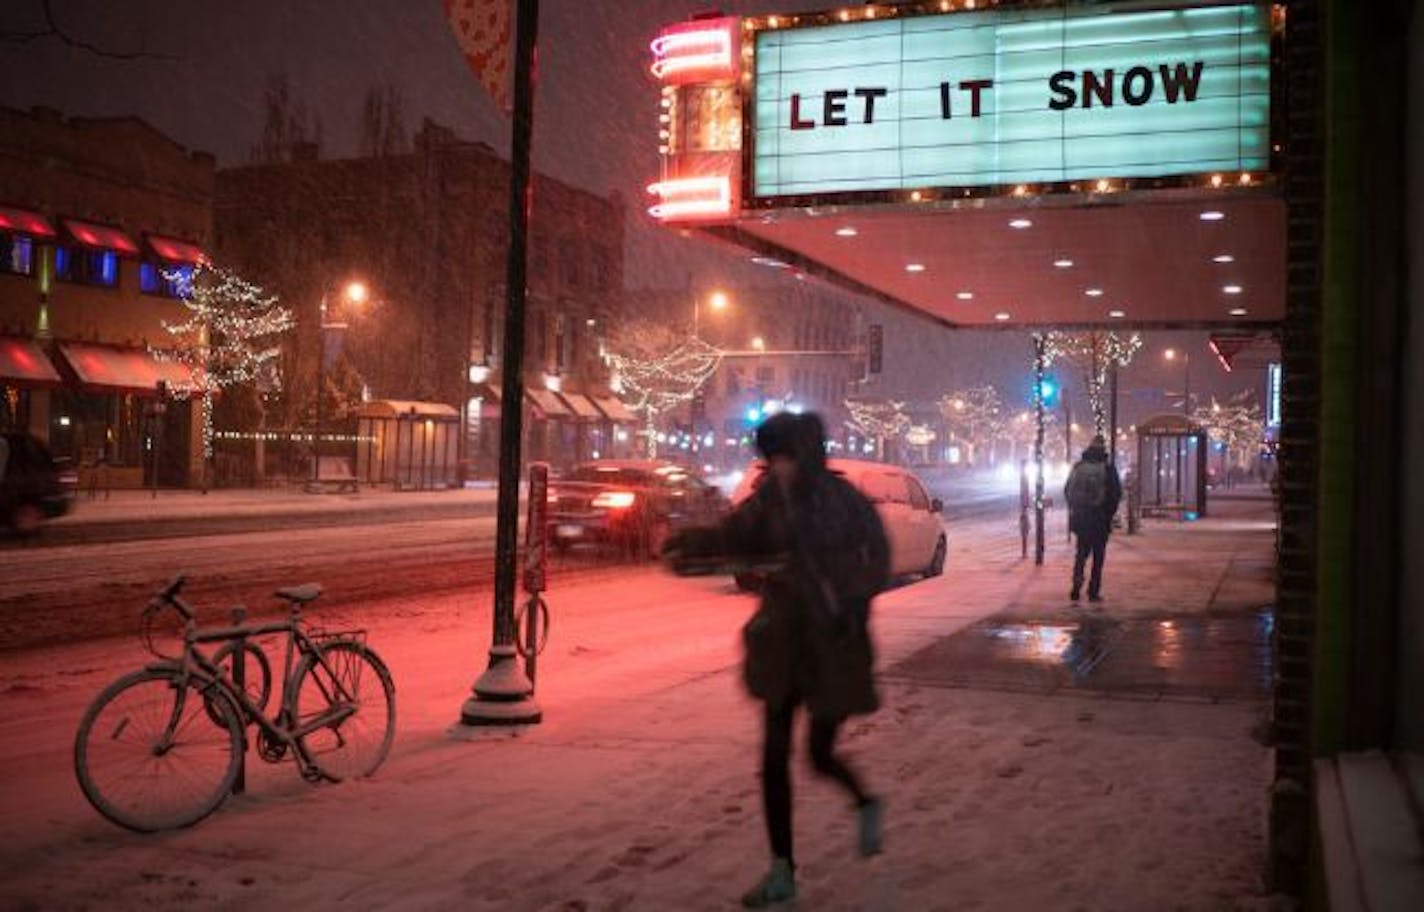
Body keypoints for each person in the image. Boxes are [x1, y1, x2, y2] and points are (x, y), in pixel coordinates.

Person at [664, 412, 890, 908]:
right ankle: (781, 869)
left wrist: (851, 603)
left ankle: (866, 801)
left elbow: (877, 557)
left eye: (785, 456)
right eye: (771, 458)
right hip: (785, 640)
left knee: (819, 755)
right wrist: (694, 542)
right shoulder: (770, 498)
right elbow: (736, 534)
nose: (778, 466)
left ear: (804, 454)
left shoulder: (841, 501)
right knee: (773, 757)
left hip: (833, 644)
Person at [1063, 434, 1123, 603]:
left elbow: (1067, 490)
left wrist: (1075, 509)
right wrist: (1108, 514)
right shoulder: (1108, 468)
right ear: (1103, 449)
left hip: (1082, 518)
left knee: (1081, 554)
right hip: (1099, 519)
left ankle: (1076, 587)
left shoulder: (1078, 467)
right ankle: (1093, 591)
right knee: (1098, 557)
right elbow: (1115, 494)